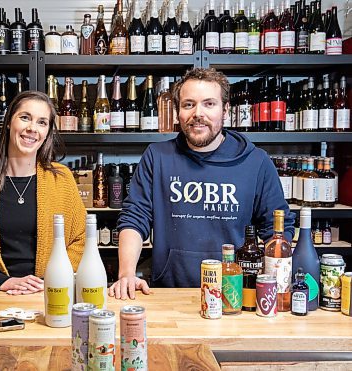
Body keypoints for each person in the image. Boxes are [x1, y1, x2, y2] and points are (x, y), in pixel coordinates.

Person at [109, 68, 295, 299]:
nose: (198, 113)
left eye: (209, 104)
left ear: (225, 110)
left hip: (233, 294)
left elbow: (277, 230)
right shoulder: (157, 156)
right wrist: (126, 273)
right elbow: (135, 218)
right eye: (188, 104)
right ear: (177, 112)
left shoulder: (256, 162)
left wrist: (274, 286)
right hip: (169, 293)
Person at [0, 91, 86, 295]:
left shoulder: (62, 179)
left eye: (42, 122)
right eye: (25, 118)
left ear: (48, 132)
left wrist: (51, 278)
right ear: (8, 122)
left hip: (49, 293)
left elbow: (82, 240)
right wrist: (2, 282)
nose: (32, 128)